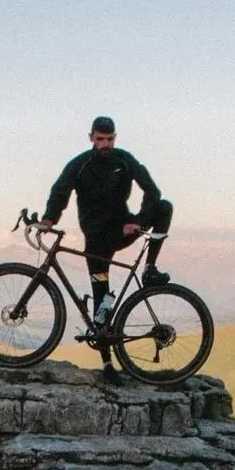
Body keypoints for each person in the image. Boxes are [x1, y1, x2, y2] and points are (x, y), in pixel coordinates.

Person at [41, 117, 173, 326]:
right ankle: (107, 358)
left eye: (110, 139)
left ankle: (149, 270)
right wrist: (49, 219)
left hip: (123, 229)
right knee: (101, 312)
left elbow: (152, 190)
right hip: (96, 241)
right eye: (100, 139)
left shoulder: (124, 159)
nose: (105, 144)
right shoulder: (79, 165)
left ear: (115, 138)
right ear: (91, 137)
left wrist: (138, 221)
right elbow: (60, 191)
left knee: (164, 207)